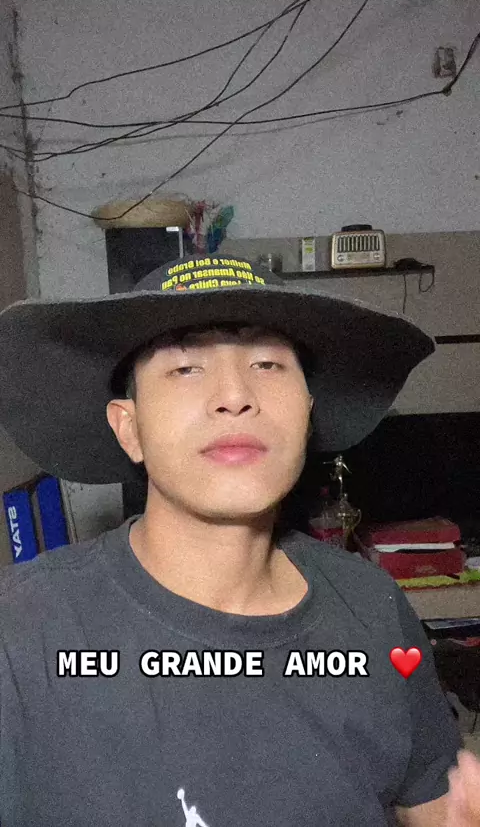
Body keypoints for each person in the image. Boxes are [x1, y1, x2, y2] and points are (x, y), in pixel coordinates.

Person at [0, 253, 476, 826]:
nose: (234, 394)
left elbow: (435, 804)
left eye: (268, 364)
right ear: (130, 428)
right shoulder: (23, 633)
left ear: (307, 414)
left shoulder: (372, 605)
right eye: (185, 368)